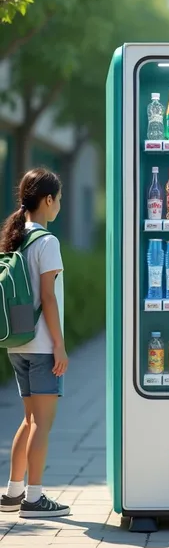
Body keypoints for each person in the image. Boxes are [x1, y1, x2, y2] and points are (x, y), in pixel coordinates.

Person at [0, 168, 70, 518]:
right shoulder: (47, 241)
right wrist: (59, 345)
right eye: (58, 199)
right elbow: (49, 297)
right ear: (47, 200)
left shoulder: (15, 236)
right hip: (42, 345)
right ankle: (34, 498)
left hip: (18, 343)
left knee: (28, 420)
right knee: (41, 423)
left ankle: (12, 494)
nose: (60, 205)